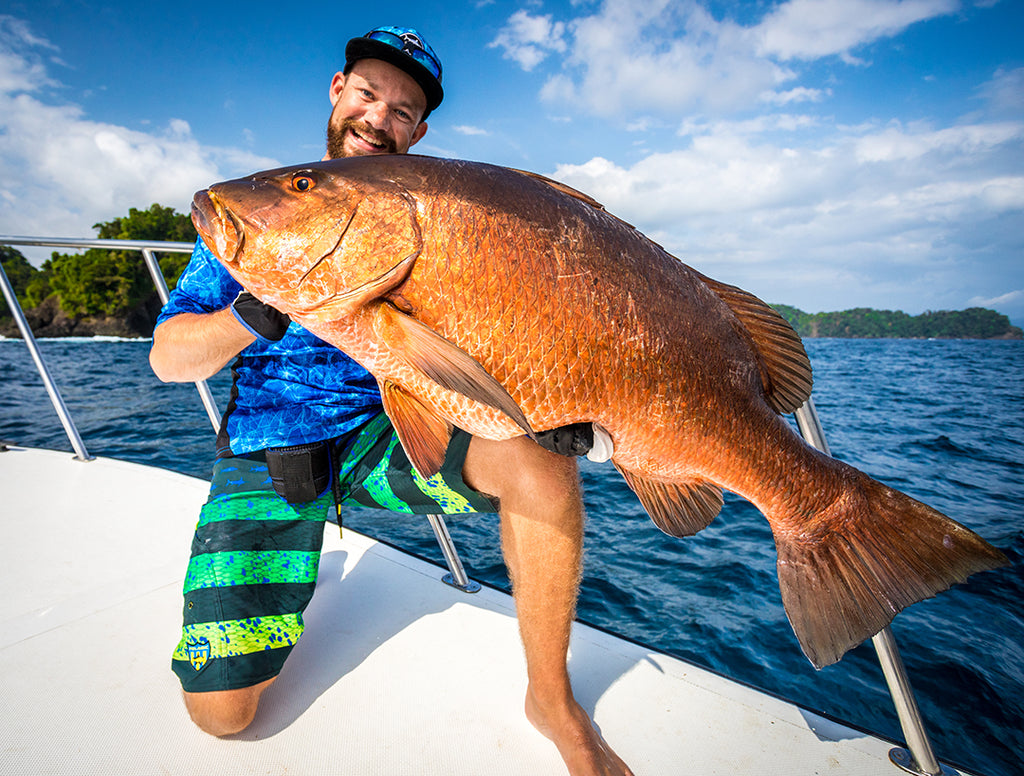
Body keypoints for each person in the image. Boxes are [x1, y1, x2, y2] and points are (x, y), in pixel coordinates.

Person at [150, 26, 632, 776]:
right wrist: (249, 313)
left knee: (540, 466)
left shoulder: (435, 226)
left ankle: (551, 696)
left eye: (403, 111)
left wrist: (552, 405)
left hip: (386, 435)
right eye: (369, 94)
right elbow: (167, 357)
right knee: (222, 719)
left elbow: (489, 345)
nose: (380, 118)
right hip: (267, 455)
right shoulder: (257, 216)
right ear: (338, 91)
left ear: (420, 131)